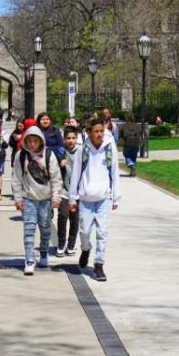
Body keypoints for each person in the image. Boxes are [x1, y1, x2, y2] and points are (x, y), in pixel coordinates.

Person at [68, 117, 120, 282]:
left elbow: (115, 172)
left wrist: (115, 197)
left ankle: (99, 265)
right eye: (96, 132)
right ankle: (85, 248)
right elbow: (75, 175)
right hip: (86, 198)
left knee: (102, 232)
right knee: (84, 231)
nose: (99, 135)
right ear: (89, 132)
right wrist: (72, 198)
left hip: (103, 198)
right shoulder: (82, 151)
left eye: (101, 131)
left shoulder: (109, 149)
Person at [11, 124, 63, 275]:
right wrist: (18, 198)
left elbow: (56, 178)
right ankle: (29, 259)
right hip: (28, 199)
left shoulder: (49, 156)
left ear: (41, 141)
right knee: (29, 229)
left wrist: (56, 197)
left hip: (45, 199)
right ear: (25, 141)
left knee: (45, 228)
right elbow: (16, 178)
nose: (33, 144)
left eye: (36, 141)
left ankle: (44, 251)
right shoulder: (21, 156)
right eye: (30, 141)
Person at [56, 126, 82, 256]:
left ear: (77, 139)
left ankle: (71, 245)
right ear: (64, 139)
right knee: (62, 216)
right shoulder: (60, 152)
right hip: (64, 192)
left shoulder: (81, 152)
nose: (71, 141)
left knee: (75, 219)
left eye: (73, 138)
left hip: (78, 192)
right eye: (68, 138)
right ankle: (61, 243)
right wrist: (59, 164)